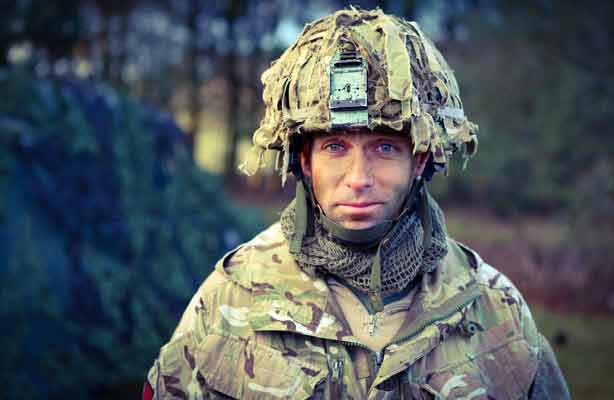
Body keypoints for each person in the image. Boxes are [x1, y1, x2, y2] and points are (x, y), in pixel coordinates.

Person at [144, 8, 570, 400]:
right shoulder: (232, 296)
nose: (358, 178)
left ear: (420, 159)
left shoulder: (493, 306)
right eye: (335, 147)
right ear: (305, 160)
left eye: (385, 147)